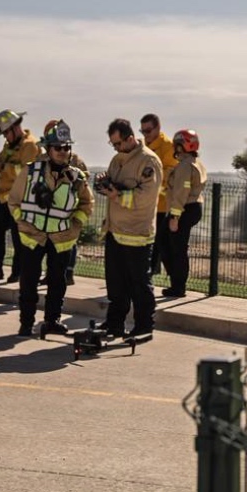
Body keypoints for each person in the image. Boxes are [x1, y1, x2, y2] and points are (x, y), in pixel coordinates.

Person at [7, 120, 94, 337]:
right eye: (58, 147)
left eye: (66, 147)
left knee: (57, 283)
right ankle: (26, 323)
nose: (63, 152)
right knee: (28, 283)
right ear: (49, 149)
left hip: (61, 238)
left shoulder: (77, 177)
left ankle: (52, 321)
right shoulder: (31, 172)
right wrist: (22, 223)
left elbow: (87, 203)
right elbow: (14, 201)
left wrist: (76, 226)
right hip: (32, 237)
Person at [93, 118, 162, 339]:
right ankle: (114, 324)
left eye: (118, 144)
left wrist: (118, 195)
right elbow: (111, 184)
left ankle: (144, 326)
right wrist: (103, 182)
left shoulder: (148, 161)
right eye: (112, 145)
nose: (116, 148)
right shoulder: (117, 160)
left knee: (139, 284)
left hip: (137, 234)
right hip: (115, 231)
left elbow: (146, 197)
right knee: (115, 284)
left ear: (130, 138)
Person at [0, 109, 40, 282]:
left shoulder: (30, 145)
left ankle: (18, 272)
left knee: (18, 238)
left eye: (5, 133)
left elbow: (27, 171)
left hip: (20, 200)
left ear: (15, 128)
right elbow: (2, 162)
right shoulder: (10, 146)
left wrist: (4, 167)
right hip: (3, 198)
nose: (5, 137)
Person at [41, 119, 89, 286]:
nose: (61, 151)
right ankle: (51, 273)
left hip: (68, 213)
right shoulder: (42, 160)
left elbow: (84, 183)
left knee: (69, 243)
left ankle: (68, 272)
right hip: (49, 215)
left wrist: (77, 221)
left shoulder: (75, 161)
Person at [162, 129, 206, 299]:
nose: (175, 148)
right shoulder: (195, 163)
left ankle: (178, 286)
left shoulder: (185, 166)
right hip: (192, 207)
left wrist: (175, 217)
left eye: (177, 145)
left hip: (184, 209)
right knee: (174, 246)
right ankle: (177, 284)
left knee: (174, 247)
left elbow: (181, 191)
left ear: (182, 146)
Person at [139, 113, 179, 291]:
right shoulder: (142, 146)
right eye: (143, 130)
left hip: (163, 205)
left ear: (158, 128)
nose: (145, 134)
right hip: (147, 204)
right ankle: (146, 277)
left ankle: (176, 283)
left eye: (148, 130)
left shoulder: (167, 147)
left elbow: (170, 173)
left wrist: (151, 183)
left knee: (164, 245)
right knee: (150, 243)